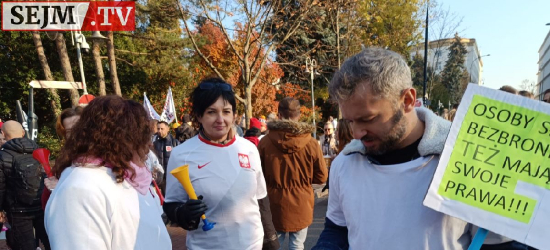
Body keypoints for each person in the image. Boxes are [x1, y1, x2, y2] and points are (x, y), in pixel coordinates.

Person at [313, 47, 499, 250]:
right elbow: (337, 230)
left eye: (368, 119)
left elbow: (497, 243)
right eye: (350, 121)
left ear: (408, 100)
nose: (356, 133)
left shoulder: (465, 159)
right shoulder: (345, 163)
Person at [163, 78, 279, 250]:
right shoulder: (181, 154)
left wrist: (271, 242)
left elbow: (261, 199)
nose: (220, 119)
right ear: (199, 116)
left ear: (234, 115)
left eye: (226, 111)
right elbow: (171, 204)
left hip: (252, 245)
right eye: (211, 112)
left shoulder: (249, 149)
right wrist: (184, 214)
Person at [45, 95, 171, 249]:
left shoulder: (130, 175)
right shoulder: (80, 188)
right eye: (139, 136)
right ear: (116, 138)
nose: (148, 143)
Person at [258, 97, 327, 250]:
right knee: (297, 245)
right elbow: (322, 176)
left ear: (279, 114)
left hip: (273, 202)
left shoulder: (265, 142)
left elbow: (257, 176)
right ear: (299, 115)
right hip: (302, 201)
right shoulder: (311, 143)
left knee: (274, 244)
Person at [0, 121, 51, 250]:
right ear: (23, 132)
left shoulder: (3, 155)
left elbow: (0, 187)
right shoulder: (38, 149)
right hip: (41, 206)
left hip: (17, 211)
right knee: (49, 242)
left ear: (3, 134)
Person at [42, 107, 84, 210]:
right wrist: (54, 189)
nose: (74, 135)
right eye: (69, 131)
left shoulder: (104, 157)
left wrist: (62, 186)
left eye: (78, 128)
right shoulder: (64, 160)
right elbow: (46, 203)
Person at [153, 120, 179, 194]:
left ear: (168, 129)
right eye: (158, 129)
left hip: (172, 177)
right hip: (160, 178)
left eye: (162, 129)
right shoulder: (154, 144)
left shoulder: (175, 143)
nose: (159, 131)